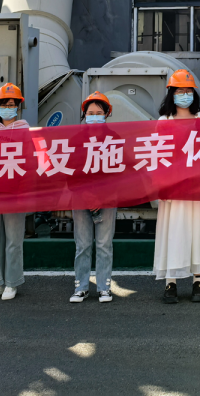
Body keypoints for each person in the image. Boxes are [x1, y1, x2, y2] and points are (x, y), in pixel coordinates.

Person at [154, 69, 200, 304]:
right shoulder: (164, 121)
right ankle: (170, 282)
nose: (184, 95)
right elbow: (157, 155)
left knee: (198, 230)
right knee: (173, 231)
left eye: (188, 91)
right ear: (171, 93)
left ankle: (198, 281)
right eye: (179, 91)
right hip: (173, 187)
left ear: (194, 94)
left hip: (198, 185)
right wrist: (161, 184)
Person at [0, 83, 30, 301]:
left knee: (13, 240)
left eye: (12, 104)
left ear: (18, 106)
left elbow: (31, 162)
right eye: (4, 104)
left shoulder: (26, 131)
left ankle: (12, 283)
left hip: (15, 193)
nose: (8, 108)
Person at [69, 91, 118, 304]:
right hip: (81, 200)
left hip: (107, 200)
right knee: (83, 245)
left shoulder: (114, 139)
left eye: (99, 113)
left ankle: (104, 288)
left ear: (106, 114)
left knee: (105, 245)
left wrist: (101, 196)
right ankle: (81, 287)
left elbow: (119, 173)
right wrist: (86, 195)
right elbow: (69, 173)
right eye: (90, 113)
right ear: (84, 115)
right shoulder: (76, 140)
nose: (95, 116)